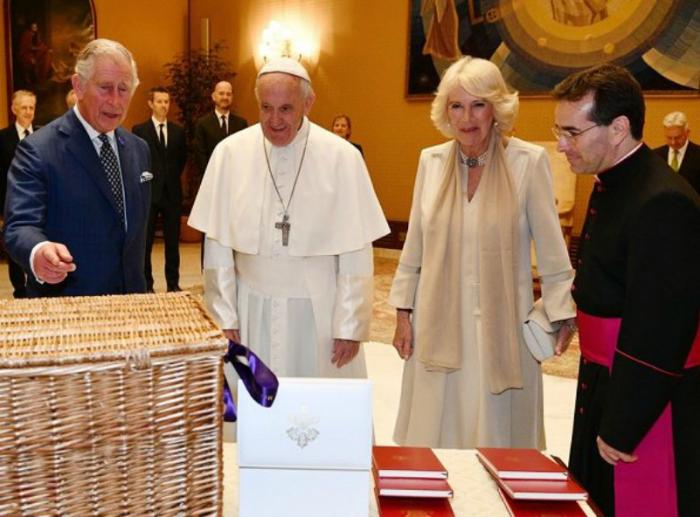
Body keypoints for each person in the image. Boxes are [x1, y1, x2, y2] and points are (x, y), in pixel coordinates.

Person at [389, 56, 576, 450]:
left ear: (497, 108)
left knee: (495, 438)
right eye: (456, 106)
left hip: (503, 324)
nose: (466, 118)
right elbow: (415, 247)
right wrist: (403, 313)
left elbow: (553, 253)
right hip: (438, 319)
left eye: (478, 105)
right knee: (436, 431)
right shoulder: (432, 162)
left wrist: (561, 314)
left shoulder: (527, 162)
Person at [553, 64, 699, 516]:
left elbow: (659, 330)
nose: (561, 145)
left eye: (572, 132)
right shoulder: (615, 181)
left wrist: (623, 425)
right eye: (558, 131)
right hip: (605, 377)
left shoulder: (662, 201)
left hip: (645, 397)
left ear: (618, 128)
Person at [188, 57, 389, 378]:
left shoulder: (342, 158)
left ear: (308, 103)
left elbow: (355, 249)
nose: (274, 120)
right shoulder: (230, 153)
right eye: (266, 108)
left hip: (318, 309)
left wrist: (350, 324)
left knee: (317, 408)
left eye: (285, 108)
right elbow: (218, 246)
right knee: (253, 406)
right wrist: (223, 317)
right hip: (251, 306)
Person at [3, 38, 150, 297]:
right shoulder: (38, 150)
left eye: (124, 89)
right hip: (67, 310)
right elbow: (20, 226)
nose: (115, 101)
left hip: (131, 308)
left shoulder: (139, 149)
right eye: (105, 87)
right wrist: (39, 252)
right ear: (78, 86)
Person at [133, 86, 187, 292]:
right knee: (146, 243)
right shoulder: (140, 130)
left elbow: (182, 159)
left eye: (166, 101)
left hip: (172, 193)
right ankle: (147, 284)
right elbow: (137, 160)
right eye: (159, 101)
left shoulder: (178, 131)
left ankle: (173, 284)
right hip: (149, 193)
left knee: (173, 243)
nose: (164, 105)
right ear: (150, 104)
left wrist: (169, 178)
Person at [0, 90, 37, 298]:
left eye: (31, 107)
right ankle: (19, 290)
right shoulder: (3, 138)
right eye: (24, 107)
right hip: (11, 203)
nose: (28, 112)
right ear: (14, 109)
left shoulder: (43, 135)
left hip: (38, 202)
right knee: (14, 247)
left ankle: (36, 285)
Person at [193, 81, 247, 178]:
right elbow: (200, 155)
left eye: (228, 94)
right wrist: (211, 176)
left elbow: (245, 154)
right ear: (213, 96)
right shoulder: (202, 124)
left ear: (232, 97)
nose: (225, 97)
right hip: (211, 179)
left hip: (236, 179)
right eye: (221, 93)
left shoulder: (241, 124)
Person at [653, 111, 700, 194]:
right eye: (669, 137)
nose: (673, 142)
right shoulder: (656, 155)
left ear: (687, 133)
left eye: (677, 137)